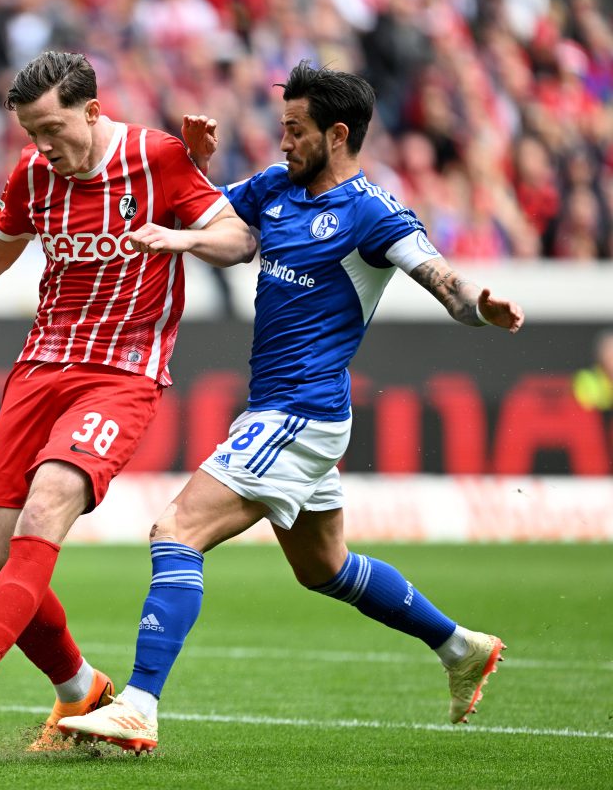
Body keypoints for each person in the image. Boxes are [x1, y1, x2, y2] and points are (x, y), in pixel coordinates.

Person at [57, 61, 525, 753]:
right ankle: (460, 647)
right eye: (283, 127)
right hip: (286, 409)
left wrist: (479, 307)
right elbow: (211, 220)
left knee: (176, 530)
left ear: (338, 135)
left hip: (300, 412)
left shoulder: (374, 212)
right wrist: (195, 168)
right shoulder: (277, 185)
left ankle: (138, 705)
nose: (283, 141)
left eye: (296, 130)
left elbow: (445, 284)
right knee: (324, 567)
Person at [0, 51, 257, 749]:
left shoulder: (158, 157)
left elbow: (239, 240)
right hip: (39, 368)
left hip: (121, 374)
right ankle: (81, 689)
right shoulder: (33, 174)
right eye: (31, 133)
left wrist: (180, 237)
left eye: (52, 129)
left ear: (92, 111)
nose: (43, 146)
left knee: (48, 503)